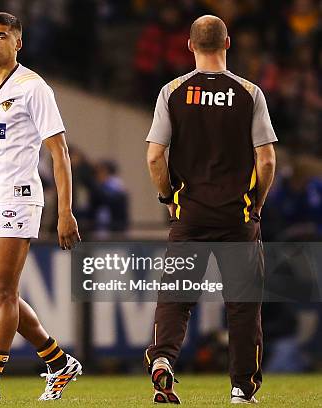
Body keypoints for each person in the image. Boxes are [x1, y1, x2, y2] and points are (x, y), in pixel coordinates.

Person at [144, 15, 277, 404]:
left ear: (189, 46)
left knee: (176, 297)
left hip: (191, 216)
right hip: (238, 216)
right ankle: (241, 387)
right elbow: (266, 160)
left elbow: (154, 157)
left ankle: (164, 358)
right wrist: (258, 203)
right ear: (228, 43)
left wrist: (170, 198)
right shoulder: (250, 92)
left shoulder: (172, 91)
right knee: (242, 307)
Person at [0, 12, 82, 402]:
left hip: (19, 196)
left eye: (1, 36)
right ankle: (58, 362)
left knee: (5, 292)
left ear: (18, 43)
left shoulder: (33, 87)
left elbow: (58, 152)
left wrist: (65, 211)